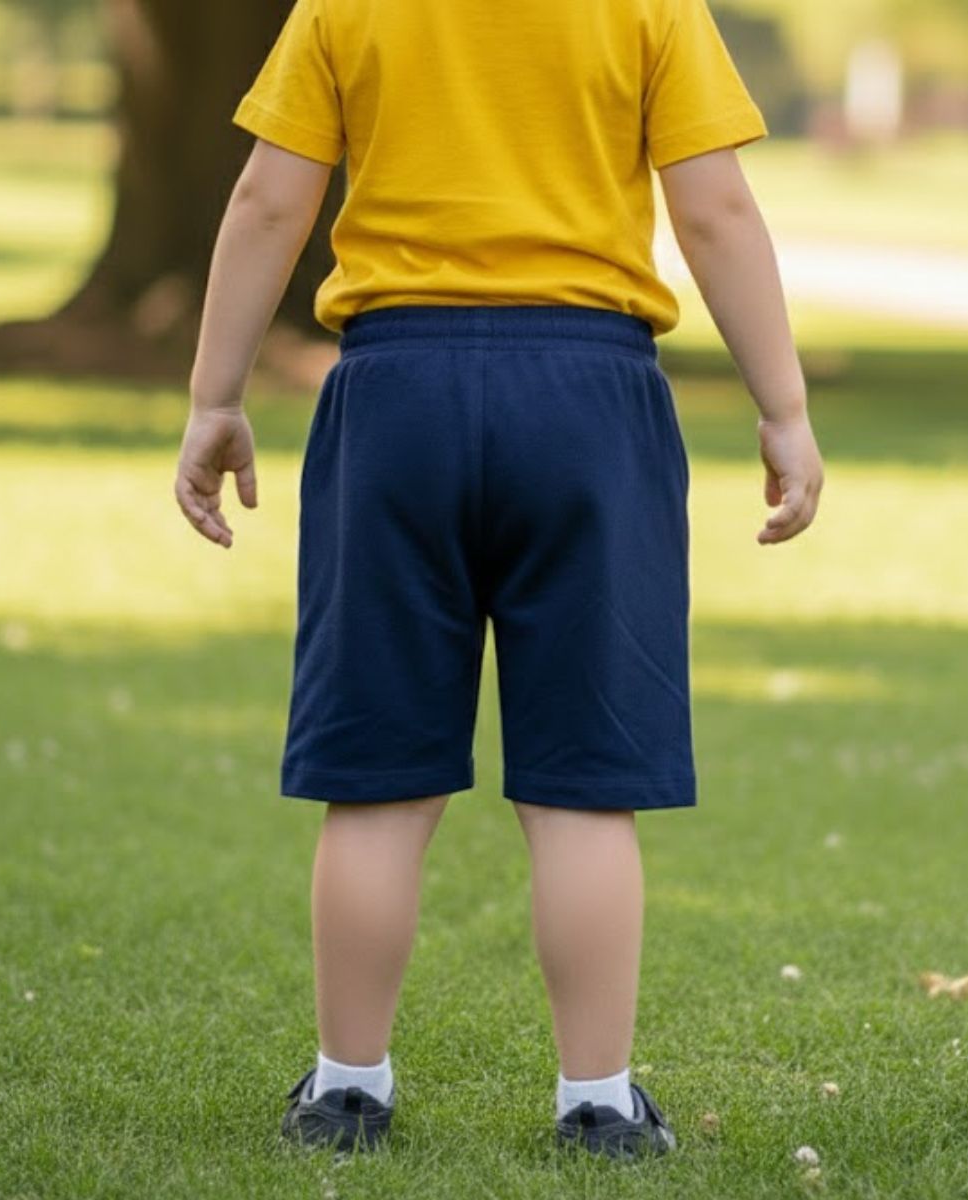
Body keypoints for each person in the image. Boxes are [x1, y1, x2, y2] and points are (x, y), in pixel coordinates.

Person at [175, 0, 824, 1162]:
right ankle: (598, 1105)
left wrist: (215, 398)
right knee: (582, 786)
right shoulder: (648, 6)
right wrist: (783, 406)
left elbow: (271, 199)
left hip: (397, 397)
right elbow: (715, 207)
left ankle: (345, 1092)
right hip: (587, 397)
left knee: (376, 781)